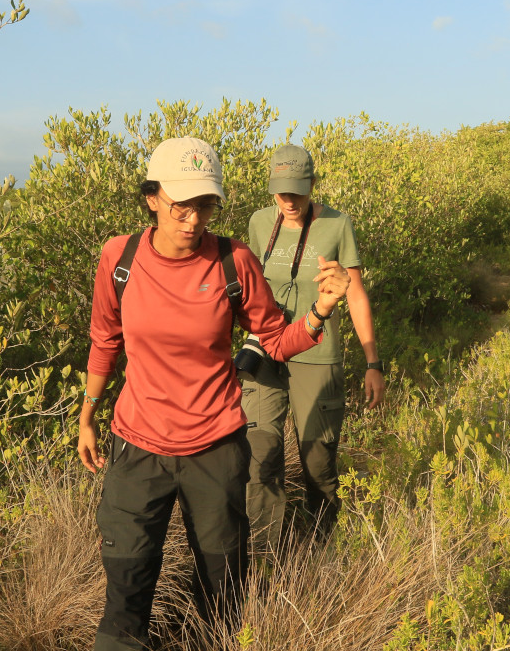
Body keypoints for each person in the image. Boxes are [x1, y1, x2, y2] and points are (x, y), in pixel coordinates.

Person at [78, 137, 351, 651]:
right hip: (137, 448)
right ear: (152, 197)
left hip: (218, 449)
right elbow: (105, 340)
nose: (193, 219)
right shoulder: (120, 258)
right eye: (182, 203)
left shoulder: (234, 262)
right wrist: (88, 413)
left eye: (205, 204)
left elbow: (273, 340)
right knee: (125, 599)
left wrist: (319, 313)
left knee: (222, 598)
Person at [241, 143, 385, 554]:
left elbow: (355, 296)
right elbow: (248, 289)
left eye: (298, 192)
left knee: (318, 463)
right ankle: (264, 557)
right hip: (266, 351)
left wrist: (372, 361)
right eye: (281, 192)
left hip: (317, 355)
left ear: (313, 185)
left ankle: (320, 548)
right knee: (259, 458)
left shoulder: (338, 226)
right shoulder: (258, 222)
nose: (289, 201)